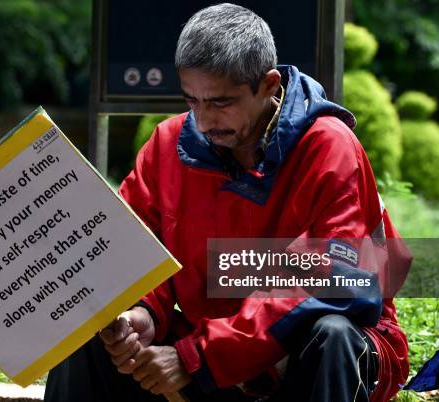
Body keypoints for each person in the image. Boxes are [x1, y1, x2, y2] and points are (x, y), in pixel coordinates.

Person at [44, 4, 410, 401]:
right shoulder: (167, 145)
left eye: (221, 103)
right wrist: (142, 314)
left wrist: (196, 357)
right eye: (192, 101)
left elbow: (333, 281)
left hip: (313, 349)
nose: (202, 121)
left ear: (268, 86)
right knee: (86, 335)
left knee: (332, 335)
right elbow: (134, 255)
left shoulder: (330, 146)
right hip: (211, 359)